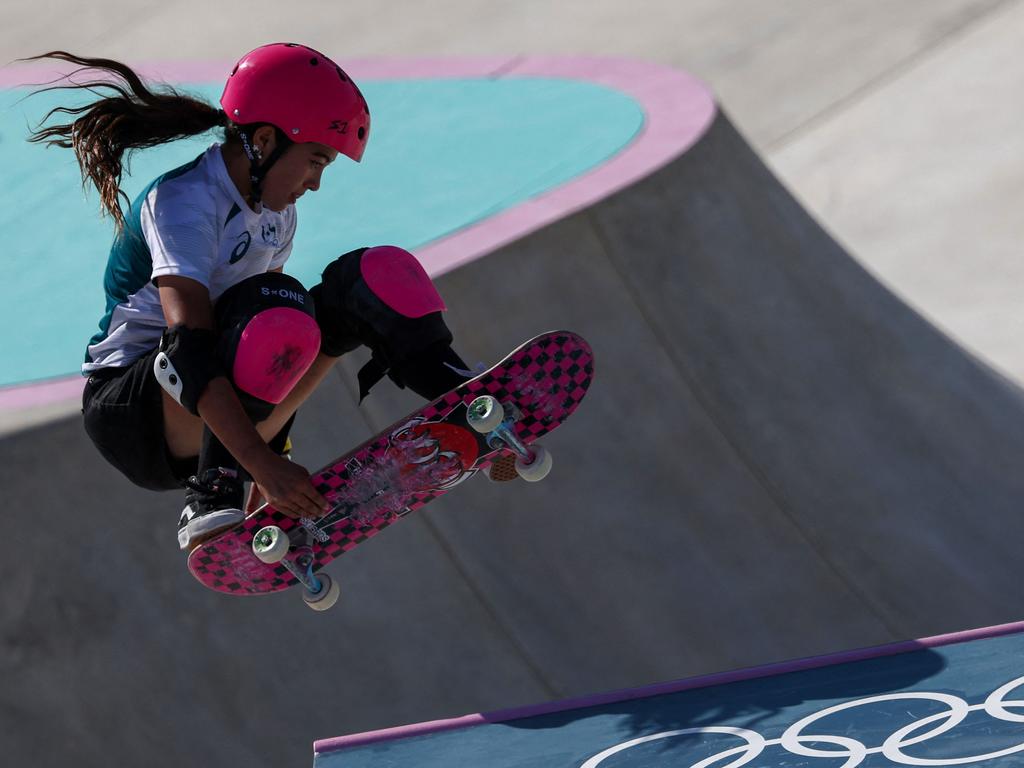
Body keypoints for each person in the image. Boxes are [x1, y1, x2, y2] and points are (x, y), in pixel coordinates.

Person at [25, 44, 472, 550]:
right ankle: (212, 493)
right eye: (315, 162)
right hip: (132, 416)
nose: (317, 183)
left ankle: (464, 393)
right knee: (271, 305)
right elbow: (189, 346)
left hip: (207, 400)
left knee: (369, 275)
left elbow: (281, 348)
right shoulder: (185, 202)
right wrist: (262, 464)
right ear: (264, 140)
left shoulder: (278, 215)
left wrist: (272, 452)